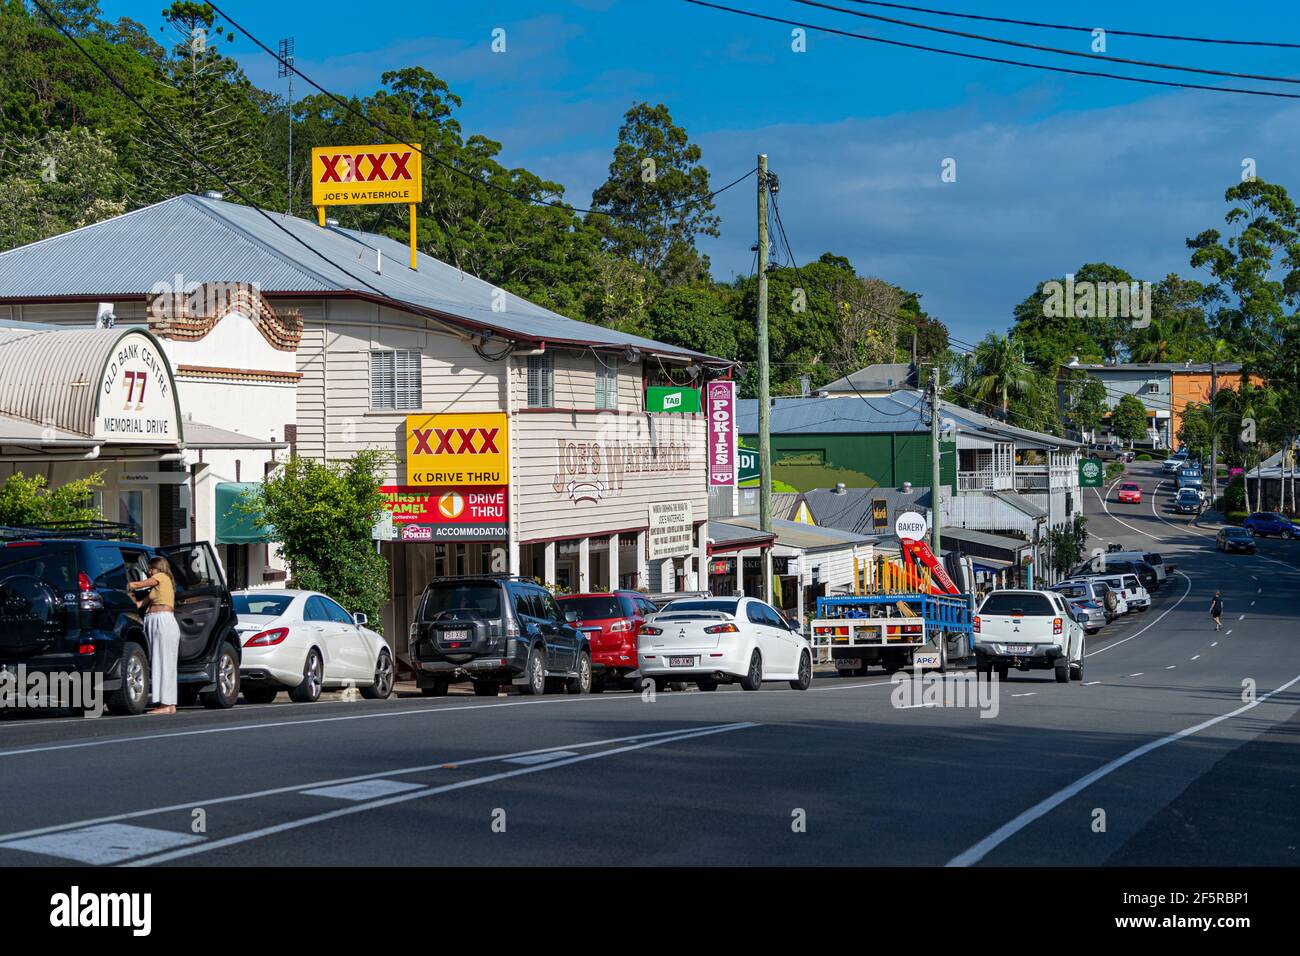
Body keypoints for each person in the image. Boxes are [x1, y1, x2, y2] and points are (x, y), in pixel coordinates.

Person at [130, 557, 180, 715]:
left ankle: (165, 704)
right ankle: (170, 703)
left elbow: (139, 584)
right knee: (166, 663)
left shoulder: (162, 577)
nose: (149, 572)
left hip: (161, 622)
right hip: (163, 622)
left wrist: (127, 584)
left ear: (158, 568)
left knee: (161, 661)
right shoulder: (157, 589)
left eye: (151, 569)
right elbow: (139, 604)